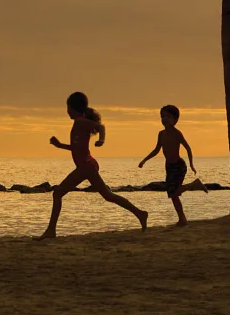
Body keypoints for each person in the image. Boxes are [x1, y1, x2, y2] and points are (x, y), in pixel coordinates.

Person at [40, 91, 148, 238]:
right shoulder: (79, 123)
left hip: (86, 166)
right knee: (108, 196)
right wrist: (59, 146)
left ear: (72, 108)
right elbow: (77, 147)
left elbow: (101, 127)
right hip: (87, 165)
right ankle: (140, 214)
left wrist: (102, 141)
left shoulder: (80, 121)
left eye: (68, 107)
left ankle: (51, 231)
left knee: (58, 193)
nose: (67, 111)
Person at [137, 104, 206, 224]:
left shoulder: (177, 133)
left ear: (175, 120)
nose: (164, 119)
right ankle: (182, 219)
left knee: (174, 192)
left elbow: (188, 148)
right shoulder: (161, 134)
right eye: (162, 116)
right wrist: (144, 160)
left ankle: (194, 184)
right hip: (169, 166)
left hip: (179, 166)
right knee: (172, 194)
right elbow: (156, 150)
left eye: (168, 117)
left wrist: (191, 165)